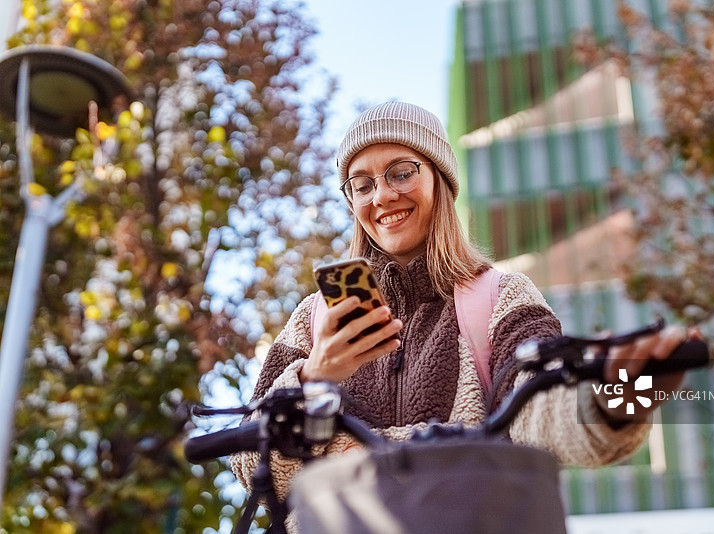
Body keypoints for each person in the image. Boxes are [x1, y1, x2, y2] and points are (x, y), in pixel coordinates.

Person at [231, 101, 689, 518]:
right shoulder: (315, 319)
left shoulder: (500, 296)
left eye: (401, 172)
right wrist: (314, 376)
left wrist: (621, 398)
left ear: (440, 180)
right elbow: (249, 460)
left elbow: (541, 409)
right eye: (362, 184)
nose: (382, 196)